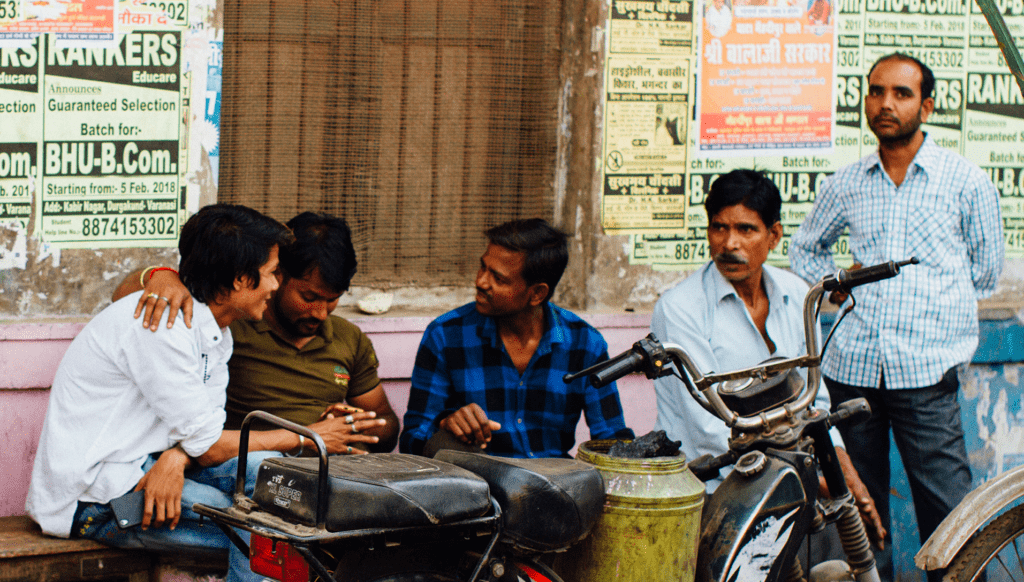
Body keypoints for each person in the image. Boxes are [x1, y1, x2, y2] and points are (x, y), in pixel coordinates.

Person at [27, 205, 368, 582]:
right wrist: (310, 435)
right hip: (96, 496)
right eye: (272, 273)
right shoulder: (164, 325)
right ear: (240, 279)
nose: (275, 285)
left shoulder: (214, 333)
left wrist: (174, 459)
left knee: (274, 479)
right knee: (266, 527)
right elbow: (207, 445)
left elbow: (201, 436)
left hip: (147, 468)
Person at [790, 53, 1004, 582]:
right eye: (876, 91)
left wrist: (933, 306)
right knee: (859, 514)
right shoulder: (847, 183)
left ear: (926, 106)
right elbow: (804, 251)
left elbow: (986, 272)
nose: (886, 103)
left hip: (926, 376)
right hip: (853, 372)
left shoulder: (965, 181)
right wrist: (841, 286)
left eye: (902, 94)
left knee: (950, 514)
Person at [651, 169, 886, 552]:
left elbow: (814, 403)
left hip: (788, 474)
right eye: (719, 228)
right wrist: (818, 478)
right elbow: (712, 428)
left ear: (774, 235)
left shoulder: (796, 294)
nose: (729, 244)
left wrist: (842, 470)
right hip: (713, 487)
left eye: (746, 230)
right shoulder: (680, 308)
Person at [114, 212, 398, 452]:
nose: (321, 313)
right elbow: (123, 295)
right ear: (279, 275)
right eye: (309, 298)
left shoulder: (348, 338)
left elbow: (387, 425)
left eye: (332, 299)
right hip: (246, 466)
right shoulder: (233, 319)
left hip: (329, 470)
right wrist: (161, 274)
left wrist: (355, 426)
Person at [399, 218, 635, 458]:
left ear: (536, 293)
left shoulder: (585, 343)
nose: (480, 282)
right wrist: (444, 426)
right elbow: (411, 440)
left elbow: (612, 442)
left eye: (498, 279)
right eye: (483, 267)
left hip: (557, 487)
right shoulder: (445, 336)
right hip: (478, 489)